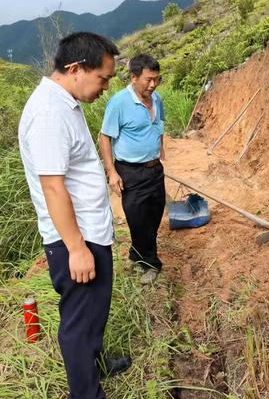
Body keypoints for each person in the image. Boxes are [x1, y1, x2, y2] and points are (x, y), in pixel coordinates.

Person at [18, 32, 131, 399]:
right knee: (79, 323)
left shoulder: (64, 103)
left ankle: (95, 364)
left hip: (89, 234)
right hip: (76, 240)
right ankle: (87, 393)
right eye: (103, 78)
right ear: (76, 68)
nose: (105, 87)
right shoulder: (49, 114)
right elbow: (53, 187)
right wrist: (77, 248)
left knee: (93, 313)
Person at [99, 54, 165, 285]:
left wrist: (160, 152)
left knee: (155, 214)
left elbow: (159, 127)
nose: (153, 85)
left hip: (155, 170)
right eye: (148, 80)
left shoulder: (157, 100)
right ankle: (151, 264)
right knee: (138, 219)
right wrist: (112, 172)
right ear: (134, 77)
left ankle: (137, 253)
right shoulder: (119, 102)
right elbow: (105, 137)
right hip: (130, 172)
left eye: (156, 79)